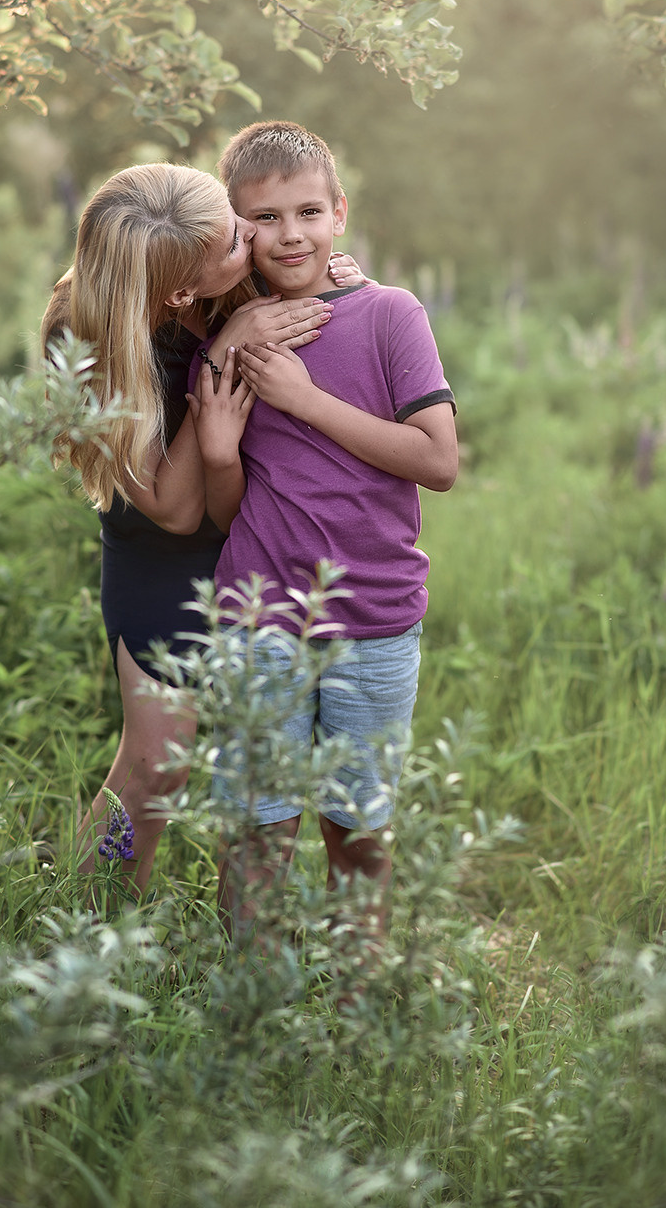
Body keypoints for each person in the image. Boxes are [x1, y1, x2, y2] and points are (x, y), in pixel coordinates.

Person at [41, 161, 362, 902]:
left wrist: (323, 275)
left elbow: (309, 272)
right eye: (231, 242)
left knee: (267, 754)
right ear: (181, 289)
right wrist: (224, 348)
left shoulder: (228, 267)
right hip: (160, 547)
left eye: (231, 218)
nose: (247, 237)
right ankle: (92, 922)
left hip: (252, 522)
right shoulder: (82, 331)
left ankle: (250, 924)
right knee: (160, 758)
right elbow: (172, 508)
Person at [190, 122, 458, 943]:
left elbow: (438, 461)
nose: (291, 234)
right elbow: (232, 512)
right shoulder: (228, 337)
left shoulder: (389, 314)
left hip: (373, 616)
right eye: (264, 219)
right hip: (258, 611)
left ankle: (357, 1001)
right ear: (237, 230)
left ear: (339, 212)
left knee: (359, 824)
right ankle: (253, 998)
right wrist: (218, 449)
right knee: (257, 823)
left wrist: (303, 397)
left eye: (308, 211)